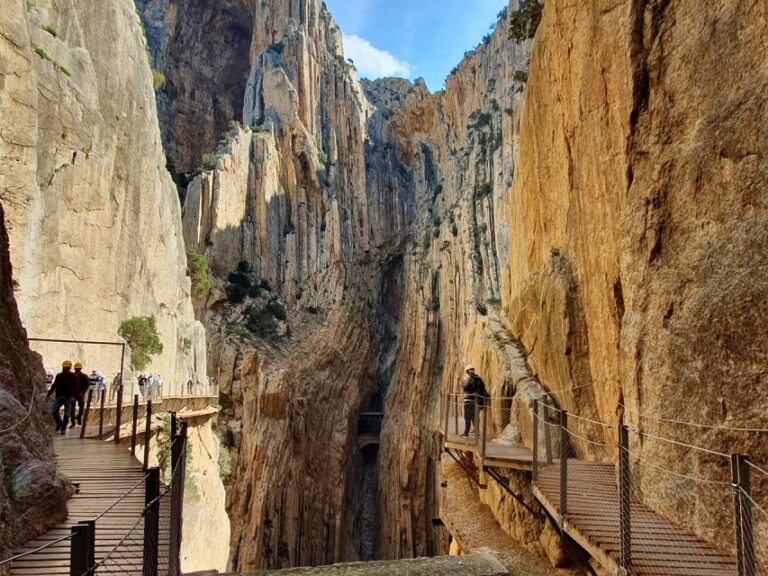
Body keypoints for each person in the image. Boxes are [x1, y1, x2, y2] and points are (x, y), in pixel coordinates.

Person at [47, 360, 78, 434]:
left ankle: (63, 429)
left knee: (67, 414)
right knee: (54, 411)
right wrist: (49, 394)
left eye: (66, 367)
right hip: (59, 396)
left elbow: (75, 387)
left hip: (69, 397)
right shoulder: (59, 375)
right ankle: (59, 423)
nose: (64, 368)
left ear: (69, 368)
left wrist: (74, 397)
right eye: (64, 367)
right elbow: (54, 385)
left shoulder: (73, 376)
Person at [460, 364, 488, 437]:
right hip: (475, 400)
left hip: (470, 400)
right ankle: (475, 433)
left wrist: (464, 382)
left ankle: (466, 434)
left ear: (468, 371)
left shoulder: (472, 379)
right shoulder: (478, 379)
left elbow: (465, 387)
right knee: (473, 417)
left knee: (468, 417)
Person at [72, 362, 90, 426]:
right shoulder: (72, 375)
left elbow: (87, 385)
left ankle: (79, 417)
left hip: (81, 394)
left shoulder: (84, 376)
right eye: (76, 368)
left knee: (81, 407)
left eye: (78, 368)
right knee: (72, 407)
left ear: (80, 369)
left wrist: (83, 392)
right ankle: (73, 420)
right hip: (73, 394)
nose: (76, 370)